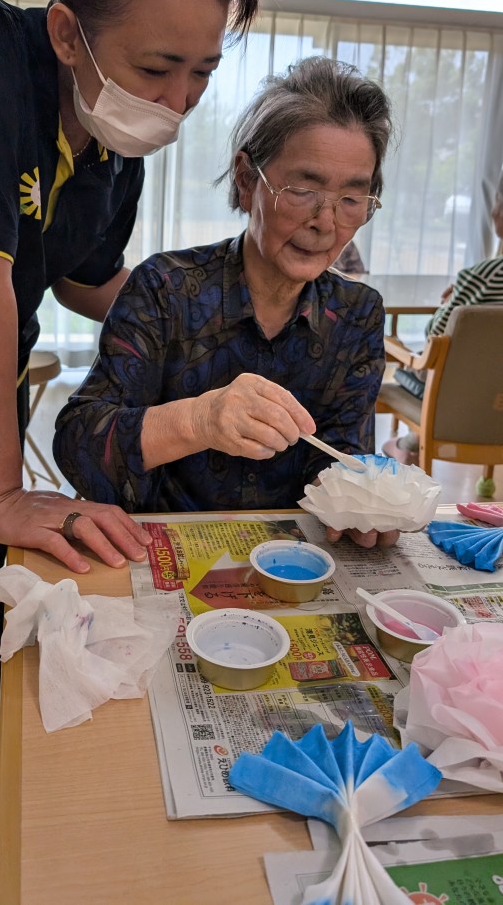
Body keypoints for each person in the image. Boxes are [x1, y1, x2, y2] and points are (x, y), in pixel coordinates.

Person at [0, 0, 257, 891]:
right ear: (68, 33)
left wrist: (230, 306)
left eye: (202, 74)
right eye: (158, 68)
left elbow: (93, 279)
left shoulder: (111, 150)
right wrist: (2, 493)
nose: (178, 102)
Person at [54, 56, 397, 550]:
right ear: (246, 178)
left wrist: (360, 503)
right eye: (303, 189)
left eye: (351, 199)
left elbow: (339, 455)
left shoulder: (356, 314)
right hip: (159, 551)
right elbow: (78, 443)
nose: (326, 222)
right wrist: (198, 420)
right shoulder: (165, 289)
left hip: (291, 561)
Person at [382, 183, 503, 467]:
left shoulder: (484, 275)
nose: (493, 211)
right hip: (495, 402)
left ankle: (404, 446)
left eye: (498, 201)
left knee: (411, 366)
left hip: (456, 400)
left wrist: (450, 302)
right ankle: (408, 445)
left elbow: (437, 336)